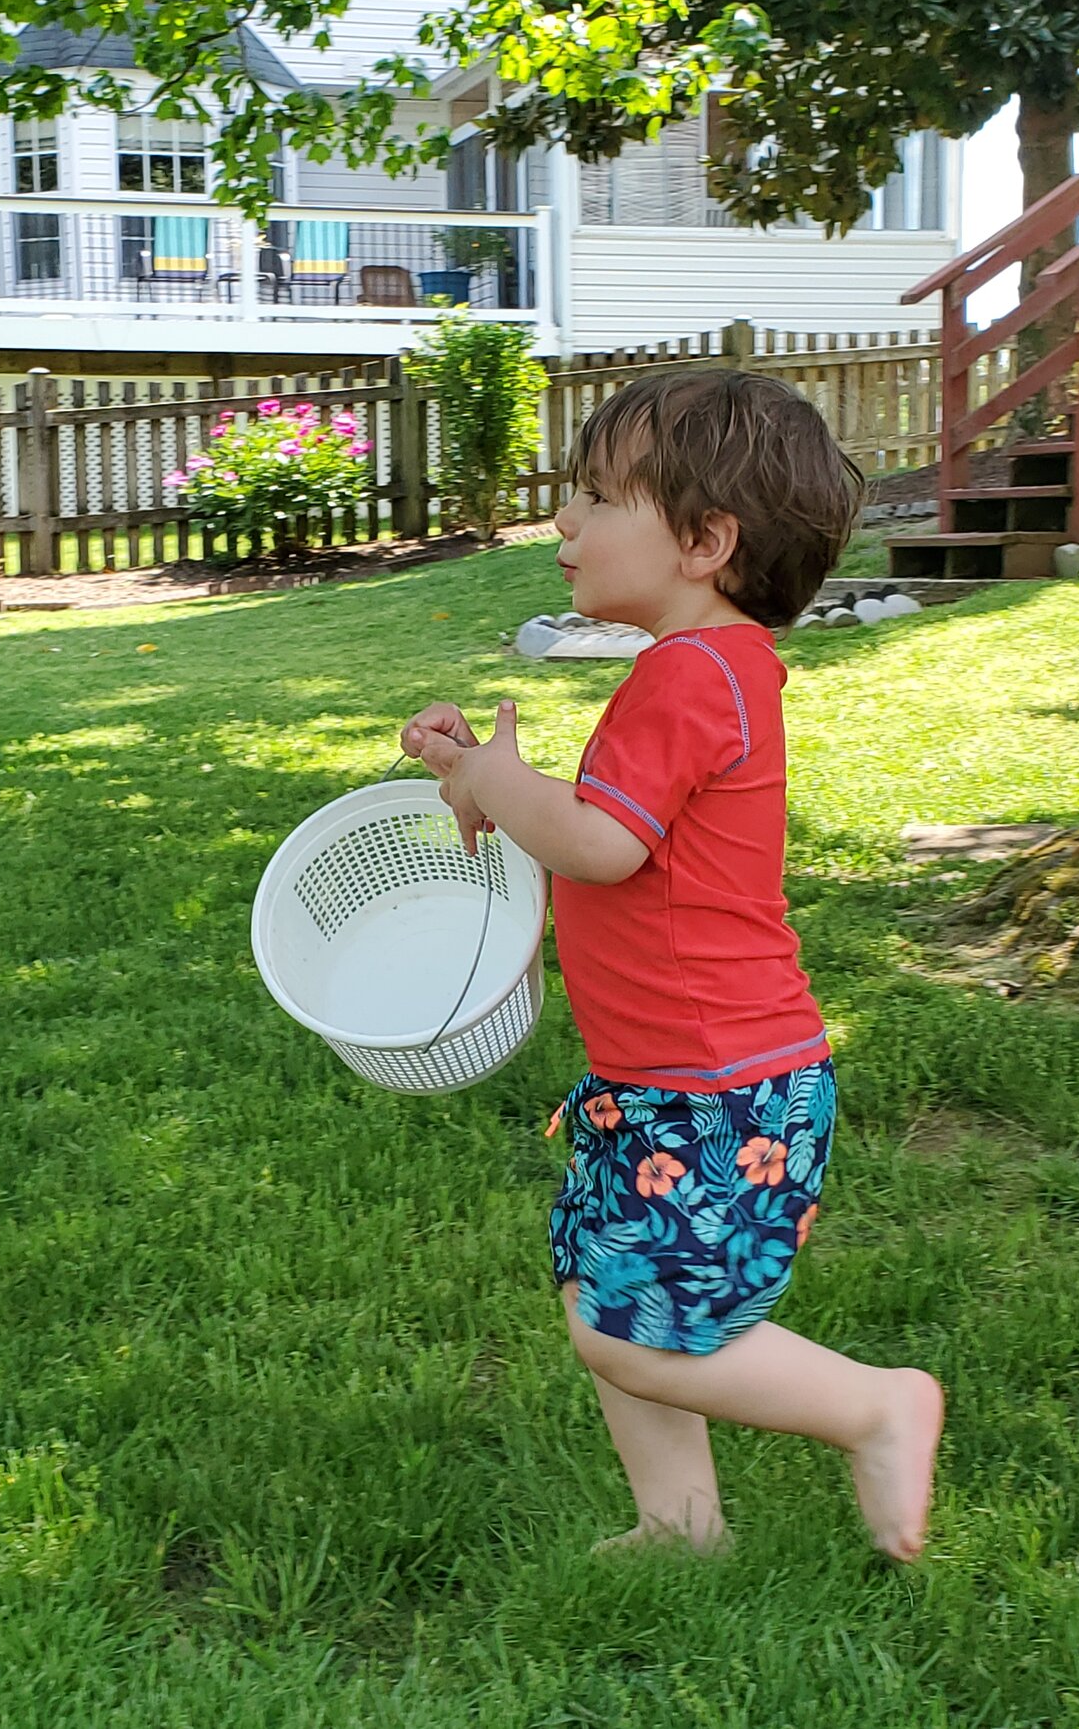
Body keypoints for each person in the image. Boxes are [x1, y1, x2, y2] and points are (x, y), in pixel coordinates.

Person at [399, 369, 944, 1560]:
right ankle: (679, 1523)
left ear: (704, 541)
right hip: (668, 1076)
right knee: (608, 1296)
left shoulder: (684, 678)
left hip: (717, 1089)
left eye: (597, 497)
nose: (564, 522)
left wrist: (498, 783)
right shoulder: (713, 671)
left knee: (632, 1331)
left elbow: (597, 845)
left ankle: (876, 1407)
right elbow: (609, 840)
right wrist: (475, 780)